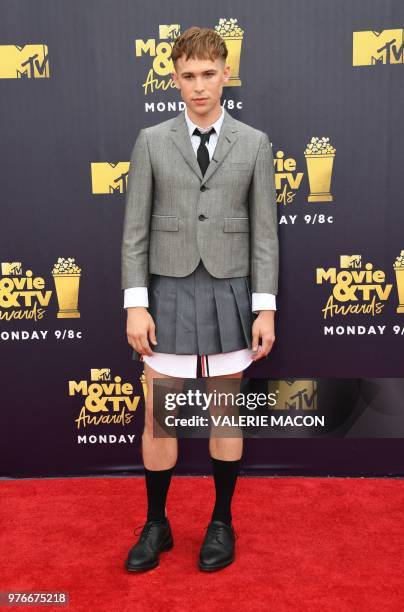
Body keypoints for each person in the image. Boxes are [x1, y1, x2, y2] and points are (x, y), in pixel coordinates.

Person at [121, 26, 279, 572]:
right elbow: (134, 230)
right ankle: (157, 524)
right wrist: (135, 303)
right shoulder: (150, 141)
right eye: (188, 76)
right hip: (166, 293)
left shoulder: (255, 143)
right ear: (174, 78)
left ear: (226, 74)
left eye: (208, 74)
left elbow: (265, 234)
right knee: (160, 417)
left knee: (225, 415)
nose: (198, 86)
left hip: (232, 293)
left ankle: (221, 521)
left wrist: (266, 307)